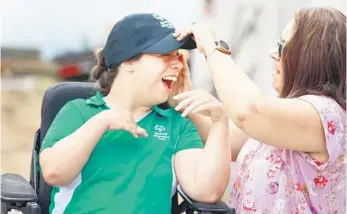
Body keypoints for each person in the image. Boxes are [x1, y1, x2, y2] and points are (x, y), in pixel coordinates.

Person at [38, 13, 231, 214]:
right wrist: (101, 122)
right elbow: (53, 173)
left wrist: (219, 121)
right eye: (164, 55)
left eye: (178, 56)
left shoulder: (178, 124)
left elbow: (207, 192)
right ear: (128, 61)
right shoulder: (79, 111)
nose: (179, 64)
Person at [171, 7, 346, 213]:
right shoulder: (286, 115)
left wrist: (211, 47)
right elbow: (224, 139)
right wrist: (183, 95)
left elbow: (247, 111)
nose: (273, 54)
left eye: (282, 47)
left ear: (309, 57)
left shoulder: (326, 114)